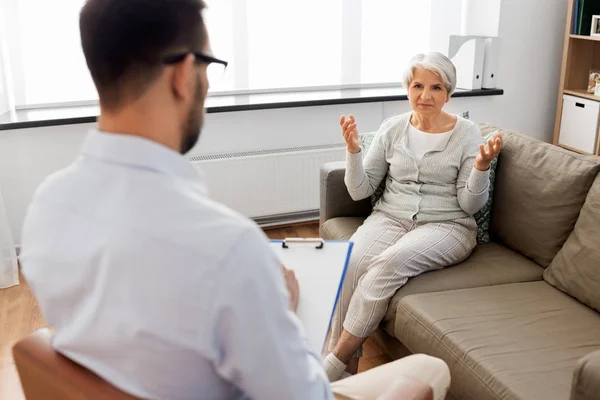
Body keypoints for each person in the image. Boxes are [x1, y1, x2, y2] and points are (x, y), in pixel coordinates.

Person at [20, 1, 450, 399]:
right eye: (210, 64)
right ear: (184, 74)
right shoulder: (228, 249)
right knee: (430, 370)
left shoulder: (47, 205)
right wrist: (280, 311)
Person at [323, 52, 503, 382]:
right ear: (407, 88)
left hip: (448, 225)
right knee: (349, 261)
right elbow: (360, 190)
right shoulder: (391, 128)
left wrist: (481, 167)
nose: (425, 95)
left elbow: (470, 204)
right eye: (418, 85)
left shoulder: (467, 134)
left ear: (448, 93)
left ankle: (333, 363)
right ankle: (345, 375)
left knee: (386, 264)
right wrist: (352, 151)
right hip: (390, 217)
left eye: (436, 87)